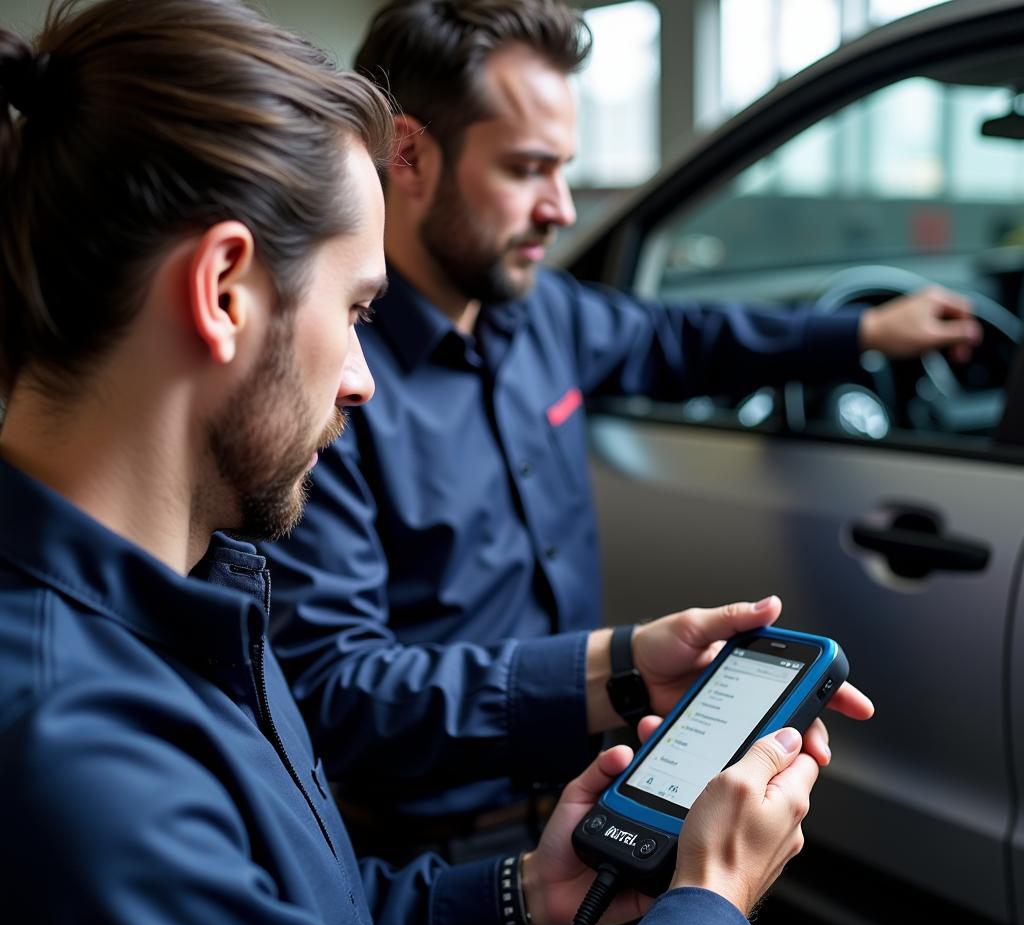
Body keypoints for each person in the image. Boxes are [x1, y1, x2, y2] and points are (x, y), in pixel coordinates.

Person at [0, 0, 875, 925]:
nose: (364, 379)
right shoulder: (84, 756)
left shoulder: (189, 609)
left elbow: (295, 913)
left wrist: (522, 892)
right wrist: (708, 914)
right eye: (354, 309)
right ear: (225, 288)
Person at [263, 0, 964, 853]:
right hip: (415, 856)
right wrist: (616, 667)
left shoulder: (546, 313)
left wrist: (861, 332)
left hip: (588, 805)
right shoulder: (333, 390)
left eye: (565, 168)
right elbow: (338, 691)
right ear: (407, 154)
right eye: (527, 169)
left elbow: (682, 340)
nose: (560, 207)